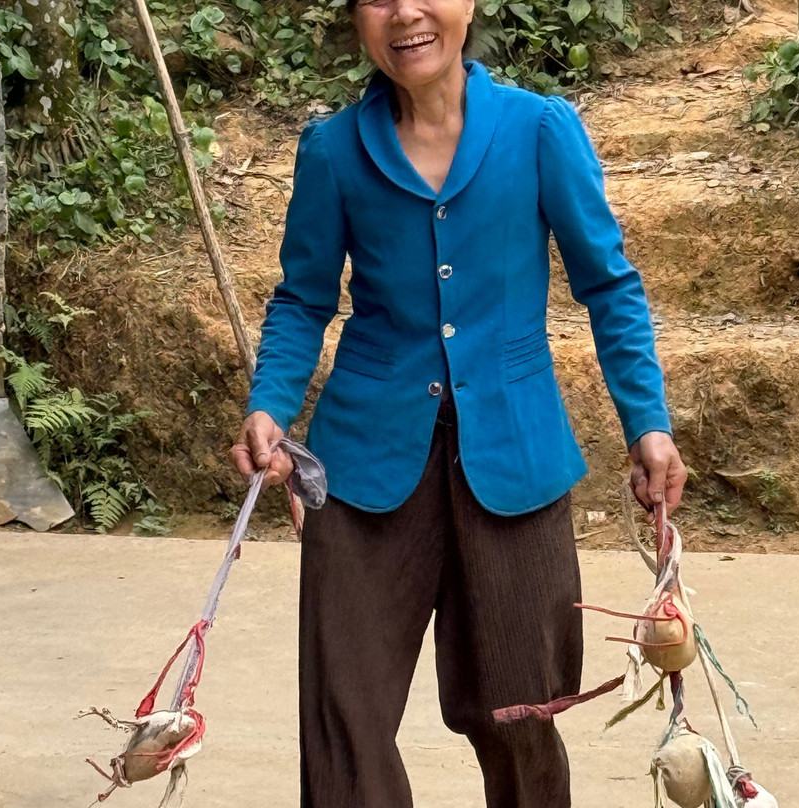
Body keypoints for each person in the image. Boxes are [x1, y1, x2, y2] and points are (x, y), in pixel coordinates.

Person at [229, 0, 688, 805]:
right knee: (344, 721)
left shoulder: (538, 131)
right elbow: (302, 298)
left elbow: (609, 285)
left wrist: (646, 423)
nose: (405, 15)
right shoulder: (333, 149)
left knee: (519, 713)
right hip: (366, 465)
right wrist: (269, 404)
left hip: (515, 457)